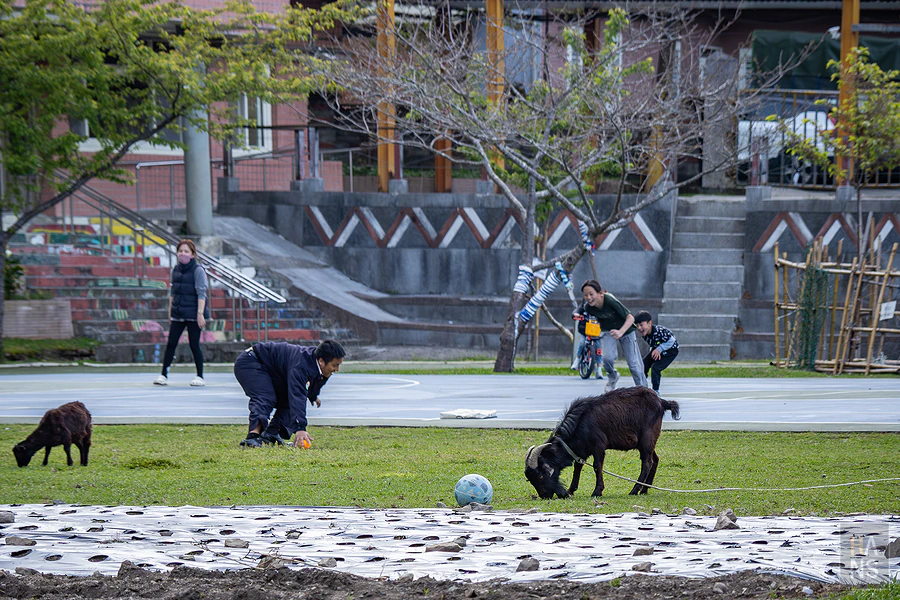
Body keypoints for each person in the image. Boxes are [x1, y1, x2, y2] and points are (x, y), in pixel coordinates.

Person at [234, 339, 345, 448]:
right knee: (266, 397)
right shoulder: (301, 365)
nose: (337, 369)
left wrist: (312, 396)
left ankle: (271, 433)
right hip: (251, 362)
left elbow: (311, 384)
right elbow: (297, 395)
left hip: (271, 370)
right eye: (335, 365)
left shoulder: (318, 363)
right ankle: (252, 437)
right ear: (321, 361)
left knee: (288, 398)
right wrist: (300, 428)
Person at [572, 280, 647, 393]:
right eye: (585, 295)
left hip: (626, 330)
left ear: (600, 293)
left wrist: (621, 332)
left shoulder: (609, 300)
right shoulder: (589, 307)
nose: (588, 297)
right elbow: (581, 309)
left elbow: (631, 318)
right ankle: (612, 376)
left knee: (634, 365)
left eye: (591, 294)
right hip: (608, 331)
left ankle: (644, 392)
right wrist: (576, 313)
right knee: (607, 358)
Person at [154, 239, 209, 387]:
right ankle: (163, 374)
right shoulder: (176, 270)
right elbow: (173, 292)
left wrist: (200, 313)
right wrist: (170, 310)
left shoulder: (198, 270)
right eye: (180, 251)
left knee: (194, 344)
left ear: (192, 254)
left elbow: (201, 293)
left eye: (186, 251)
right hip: (178, 313)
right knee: (171, 343)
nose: (183, 254)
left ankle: (200, 375)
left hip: (193, 313)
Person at [634, 311, 679, 395]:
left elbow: (672, 340)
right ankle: (641, 386)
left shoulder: (659, 331)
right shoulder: (645, 334)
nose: (639, 328)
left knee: (655, 367)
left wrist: (659, 349)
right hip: (657, 349)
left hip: (671, 350)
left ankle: (656, 391)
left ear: (649, 323)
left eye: (641, 325)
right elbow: (653, 344)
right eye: (637, 326)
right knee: (643, 365)